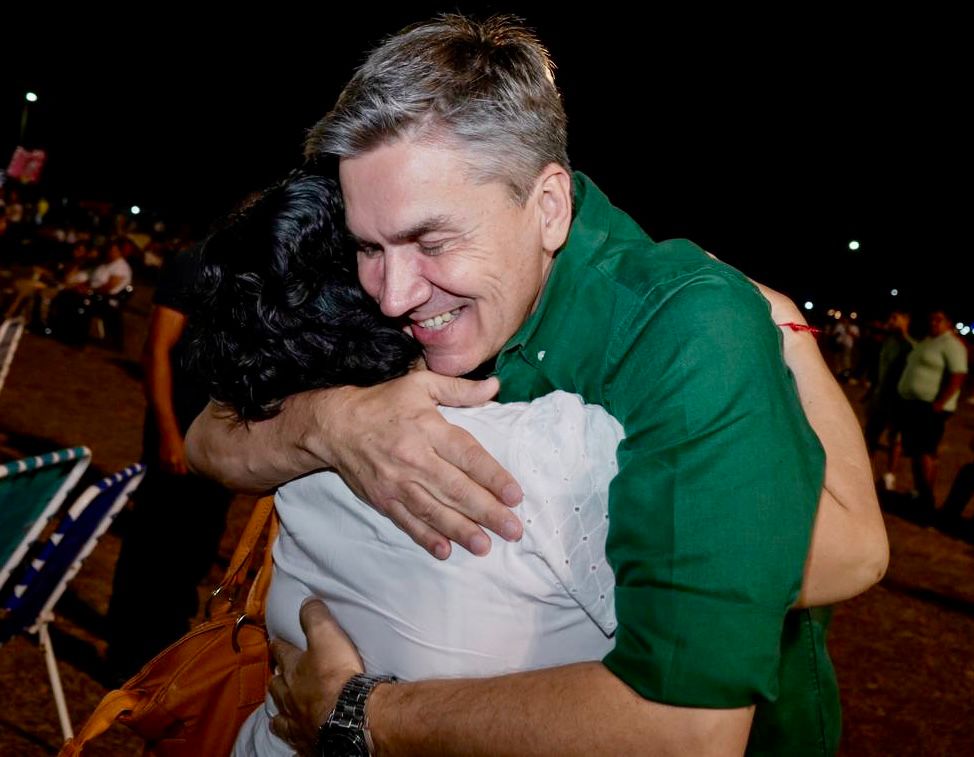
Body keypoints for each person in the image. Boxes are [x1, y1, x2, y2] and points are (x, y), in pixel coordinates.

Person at [187, 16, 888, 756]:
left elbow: (700, 716)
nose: (391, 295)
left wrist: (358, 716)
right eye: (369, 247)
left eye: (432, 242)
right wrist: (332, 423)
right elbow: (210, 438)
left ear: (548, 208)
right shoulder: (437, 283)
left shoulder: (681, 331)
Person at [104, 244, 234, 681]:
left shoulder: (260, 268)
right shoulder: (194, 260)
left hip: (222, 445)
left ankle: (162, 659)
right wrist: (168, 434)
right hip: (177, 432)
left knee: (193, 553)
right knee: (151, 547)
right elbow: (156, 350)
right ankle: (124, 661)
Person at [896, 309, 969, 511]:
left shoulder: (952, 345)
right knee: (915, 451)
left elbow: (958, 375)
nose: (934, 323)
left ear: (949, 323)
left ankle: (927, 499)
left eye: (939, 320)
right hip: (916, 404)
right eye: (932, 319)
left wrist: (940, 402)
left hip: (931, 407)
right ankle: (920, 493)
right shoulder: (930, 341)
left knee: (926, 452)